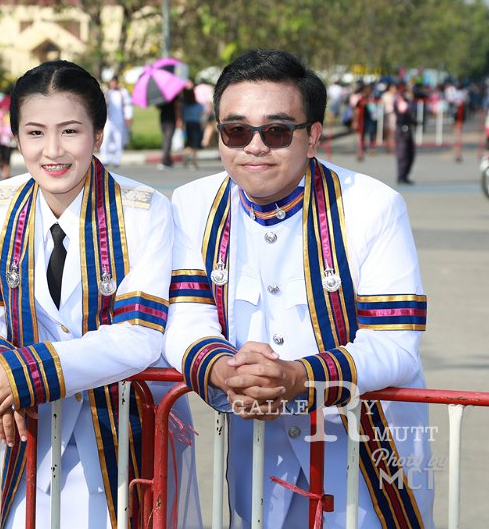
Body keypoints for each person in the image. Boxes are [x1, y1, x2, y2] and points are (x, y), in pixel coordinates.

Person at [163, 49, 434, 528]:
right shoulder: (191, 204)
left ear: (313, 137)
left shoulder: (373, 206)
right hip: (256, 453)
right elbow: (186, 317)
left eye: (276, 131)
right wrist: (225, 371)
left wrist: (297, 379)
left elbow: (396, 345)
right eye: (236, 131)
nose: (254, 147)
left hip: (367, 455)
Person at [0, 59, 200, 528]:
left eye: (71, 131)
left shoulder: (144, 211)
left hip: (129, 435)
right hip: (33, 436)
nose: (53, 150)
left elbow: (140, 334)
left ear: (98, 135)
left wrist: (27, 373)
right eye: (35, 133)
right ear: (15, 137)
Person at [99, 76, 132, 168]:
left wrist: (128, 116)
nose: (113, 84)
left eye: (114, 82)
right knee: (105, 139)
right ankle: (105, 158)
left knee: (119, 140)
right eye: (111, 82)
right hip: (108, 120)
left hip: (119, 120)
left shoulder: (122, 92)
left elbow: (127, 105)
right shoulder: (106, 92)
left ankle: (117, 160)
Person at [394, 82, 417, 185]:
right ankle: (401, 175)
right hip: (402, 128)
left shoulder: (405, 98)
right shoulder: (398, 99)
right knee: (403, 153)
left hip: (407, 127)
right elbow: (403, 110)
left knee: (410, 153)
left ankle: (405, 175)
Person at [181, 81, 204, 170]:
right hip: (196, 124)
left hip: (188, 124)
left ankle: (185, 156)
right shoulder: (197, 105)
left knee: (189, 142)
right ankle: (194, 162)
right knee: (195, 144)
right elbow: (201, 112)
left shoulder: (184, 105)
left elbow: (183, 115)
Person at [157, 95, 181, 169]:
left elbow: (158, 107)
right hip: (171, 118)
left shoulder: (160, 96)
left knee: (166, 139)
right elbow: (177, 107)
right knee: (168, 140)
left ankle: (168, 160)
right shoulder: (173, 95)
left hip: (163, 118)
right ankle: (165, 161)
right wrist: (179, 118)